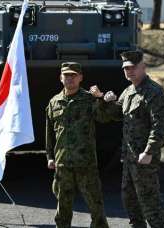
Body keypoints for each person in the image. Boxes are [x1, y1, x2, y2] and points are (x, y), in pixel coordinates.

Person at [90, 50, 164, 228]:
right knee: (130, 199)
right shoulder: (128, 91)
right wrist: (104, 100)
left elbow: (160, 126)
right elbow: (113, 116)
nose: (129, 71)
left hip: (144, 158)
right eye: (126, 68)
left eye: (133, 67)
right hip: (129, 158)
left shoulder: (154, 92)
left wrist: (149, 151)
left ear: (143, 67)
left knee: (150, 201)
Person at [45, 62, 116, 228]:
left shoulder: (89, 99)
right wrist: (49, 156)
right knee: (63, 207)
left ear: (80, 78)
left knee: (95, 206)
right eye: (66, 75)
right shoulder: (54, 102)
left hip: (86, 163)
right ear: (60, 78)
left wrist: (101, 99)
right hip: (63, 163)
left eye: (73, 75)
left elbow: (104, 118)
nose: (70, 78)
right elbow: (49, 133)